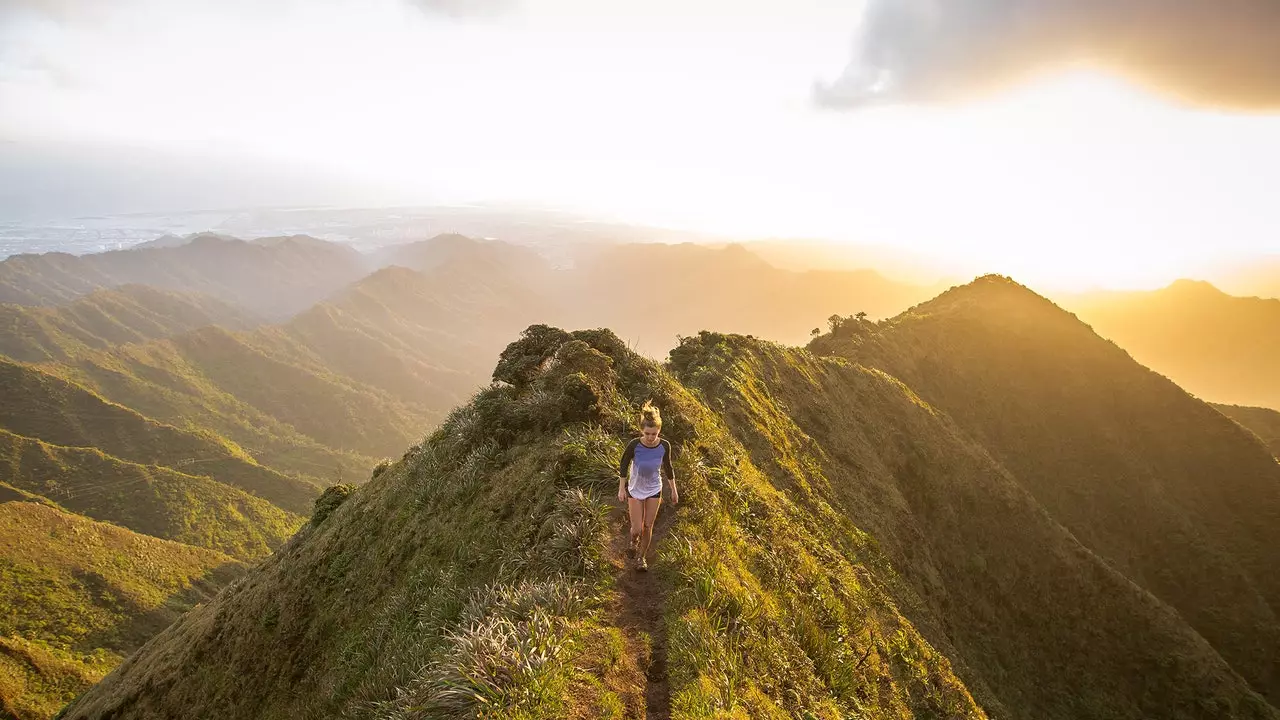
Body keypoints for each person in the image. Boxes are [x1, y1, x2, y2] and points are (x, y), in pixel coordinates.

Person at [617, 401, 678, 571]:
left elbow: (668, 467)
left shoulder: (664, 445)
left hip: (654, 488)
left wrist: (673, 490)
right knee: (636, 528)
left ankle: (641, 558)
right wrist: (622, 488)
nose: (651, 437)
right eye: (648, 433)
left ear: (659, 431)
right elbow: (623, 465)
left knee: (648, 526)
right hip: (635, 489)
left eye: (654, 434)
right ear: (642, 431)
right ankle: (633, 540)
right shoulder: (634, 445)